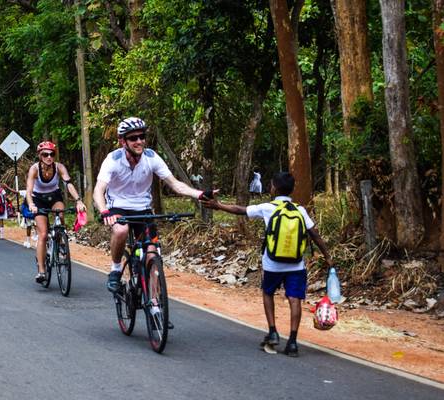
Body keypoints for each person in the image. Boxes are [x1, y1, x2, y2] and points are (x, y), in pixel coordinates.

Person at [201, 172, 335, 357]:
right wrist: (328, 257)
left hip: (272, 263)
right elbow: (316, 235)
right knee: (294, 299)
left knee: (268, 293)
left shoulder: (267, 207)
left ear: (274, 188)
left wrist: (218, 205)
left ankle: (273, 332)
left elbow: (240, 210)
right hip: (296, 264)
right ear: (292, 189)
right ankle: (293, 342)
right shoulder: (300, 210)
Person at [93, 117, 209, 293]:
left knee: (152, 255)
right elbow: (98, 190)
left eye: (142, 136)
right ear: (122, 141)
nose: (139, 141)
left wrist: (199, 194)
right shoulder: (113, 159)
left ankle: (155, 306)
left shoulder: (151, 157)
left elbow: (175, 184)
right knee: (121, 230)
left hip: (143, 209)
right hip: (118, 206)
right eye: (133, 138)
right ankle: (116, 269)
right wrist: (104, 211)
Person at [26, 141, 86, 283]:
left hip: (54, 196)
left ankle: (60, 240)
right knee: (43, 233)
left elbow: (68, 183)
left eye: (52, 154)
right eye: (45, 154)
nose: (49, 157)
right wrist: (31, 204)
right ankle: (41, 270)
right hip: (38, 199)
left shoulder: (59, 167)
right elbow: (29, 190)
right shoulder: (34, 169)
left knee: (60, 214)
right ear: (40, 156)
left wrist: (78, 200)